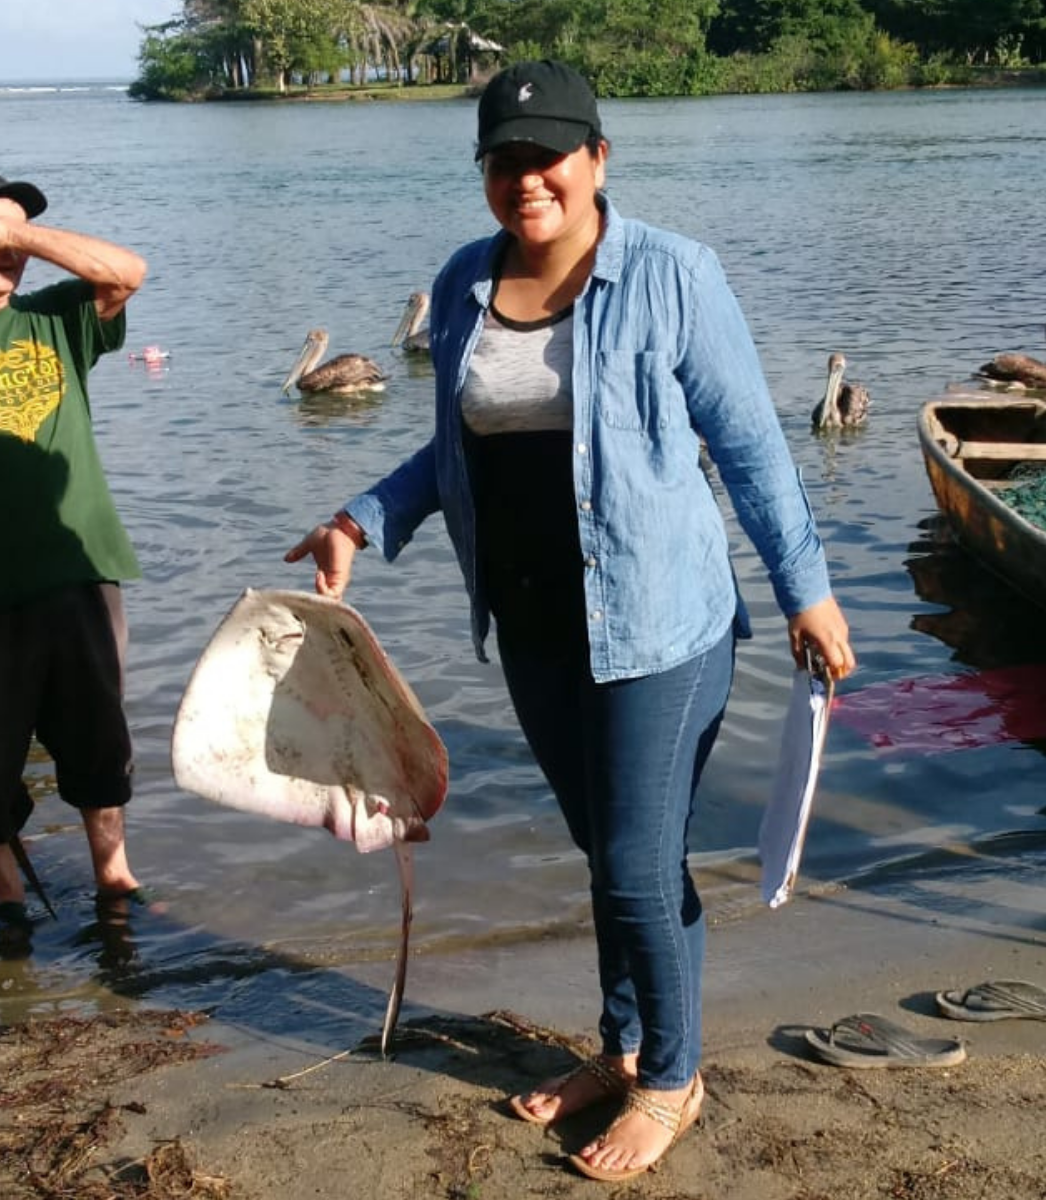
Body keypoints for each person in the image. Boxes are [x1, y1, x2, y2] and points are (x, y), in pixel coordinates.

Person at [287, 61, 855, 1182]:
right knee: (610, 858)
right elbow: (457, 453)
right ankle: (625, 1042)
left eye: (548, 154)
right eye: (503, 159)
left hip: (662, 623)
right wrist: (365, 517)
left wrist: (809, 590)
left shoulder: (673, 275)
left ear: (597, 159)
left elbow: (749, 445)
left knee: (640, 868)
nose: (526, 177)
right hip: (538, 624)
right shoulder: (461, 284)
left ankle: (674, 1078)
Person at [0, 170, 148, 928]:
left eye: (22, 238)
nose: (15, 253)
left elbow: (125, 271)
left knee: (100, 734)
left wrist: (15, 234)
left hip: (79, 570)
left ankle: (115, 876)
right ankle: (7, 888)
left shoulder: (54, 320)